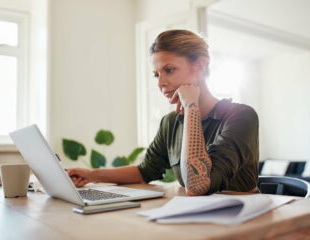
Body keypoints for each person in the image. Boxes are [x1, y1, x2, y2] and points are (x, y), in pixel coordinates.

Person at [68, 30, 259, 196]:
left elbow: (197, 186)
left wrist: (191, 106)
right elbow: (145, 171)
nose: (160, 83)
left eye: (169, 70)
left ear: (200, 66)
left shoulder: (241, 116)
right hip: (196, 217)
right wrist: (91, 175)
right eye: (156, 74)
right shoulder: (171, 122)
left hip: (245, 220)